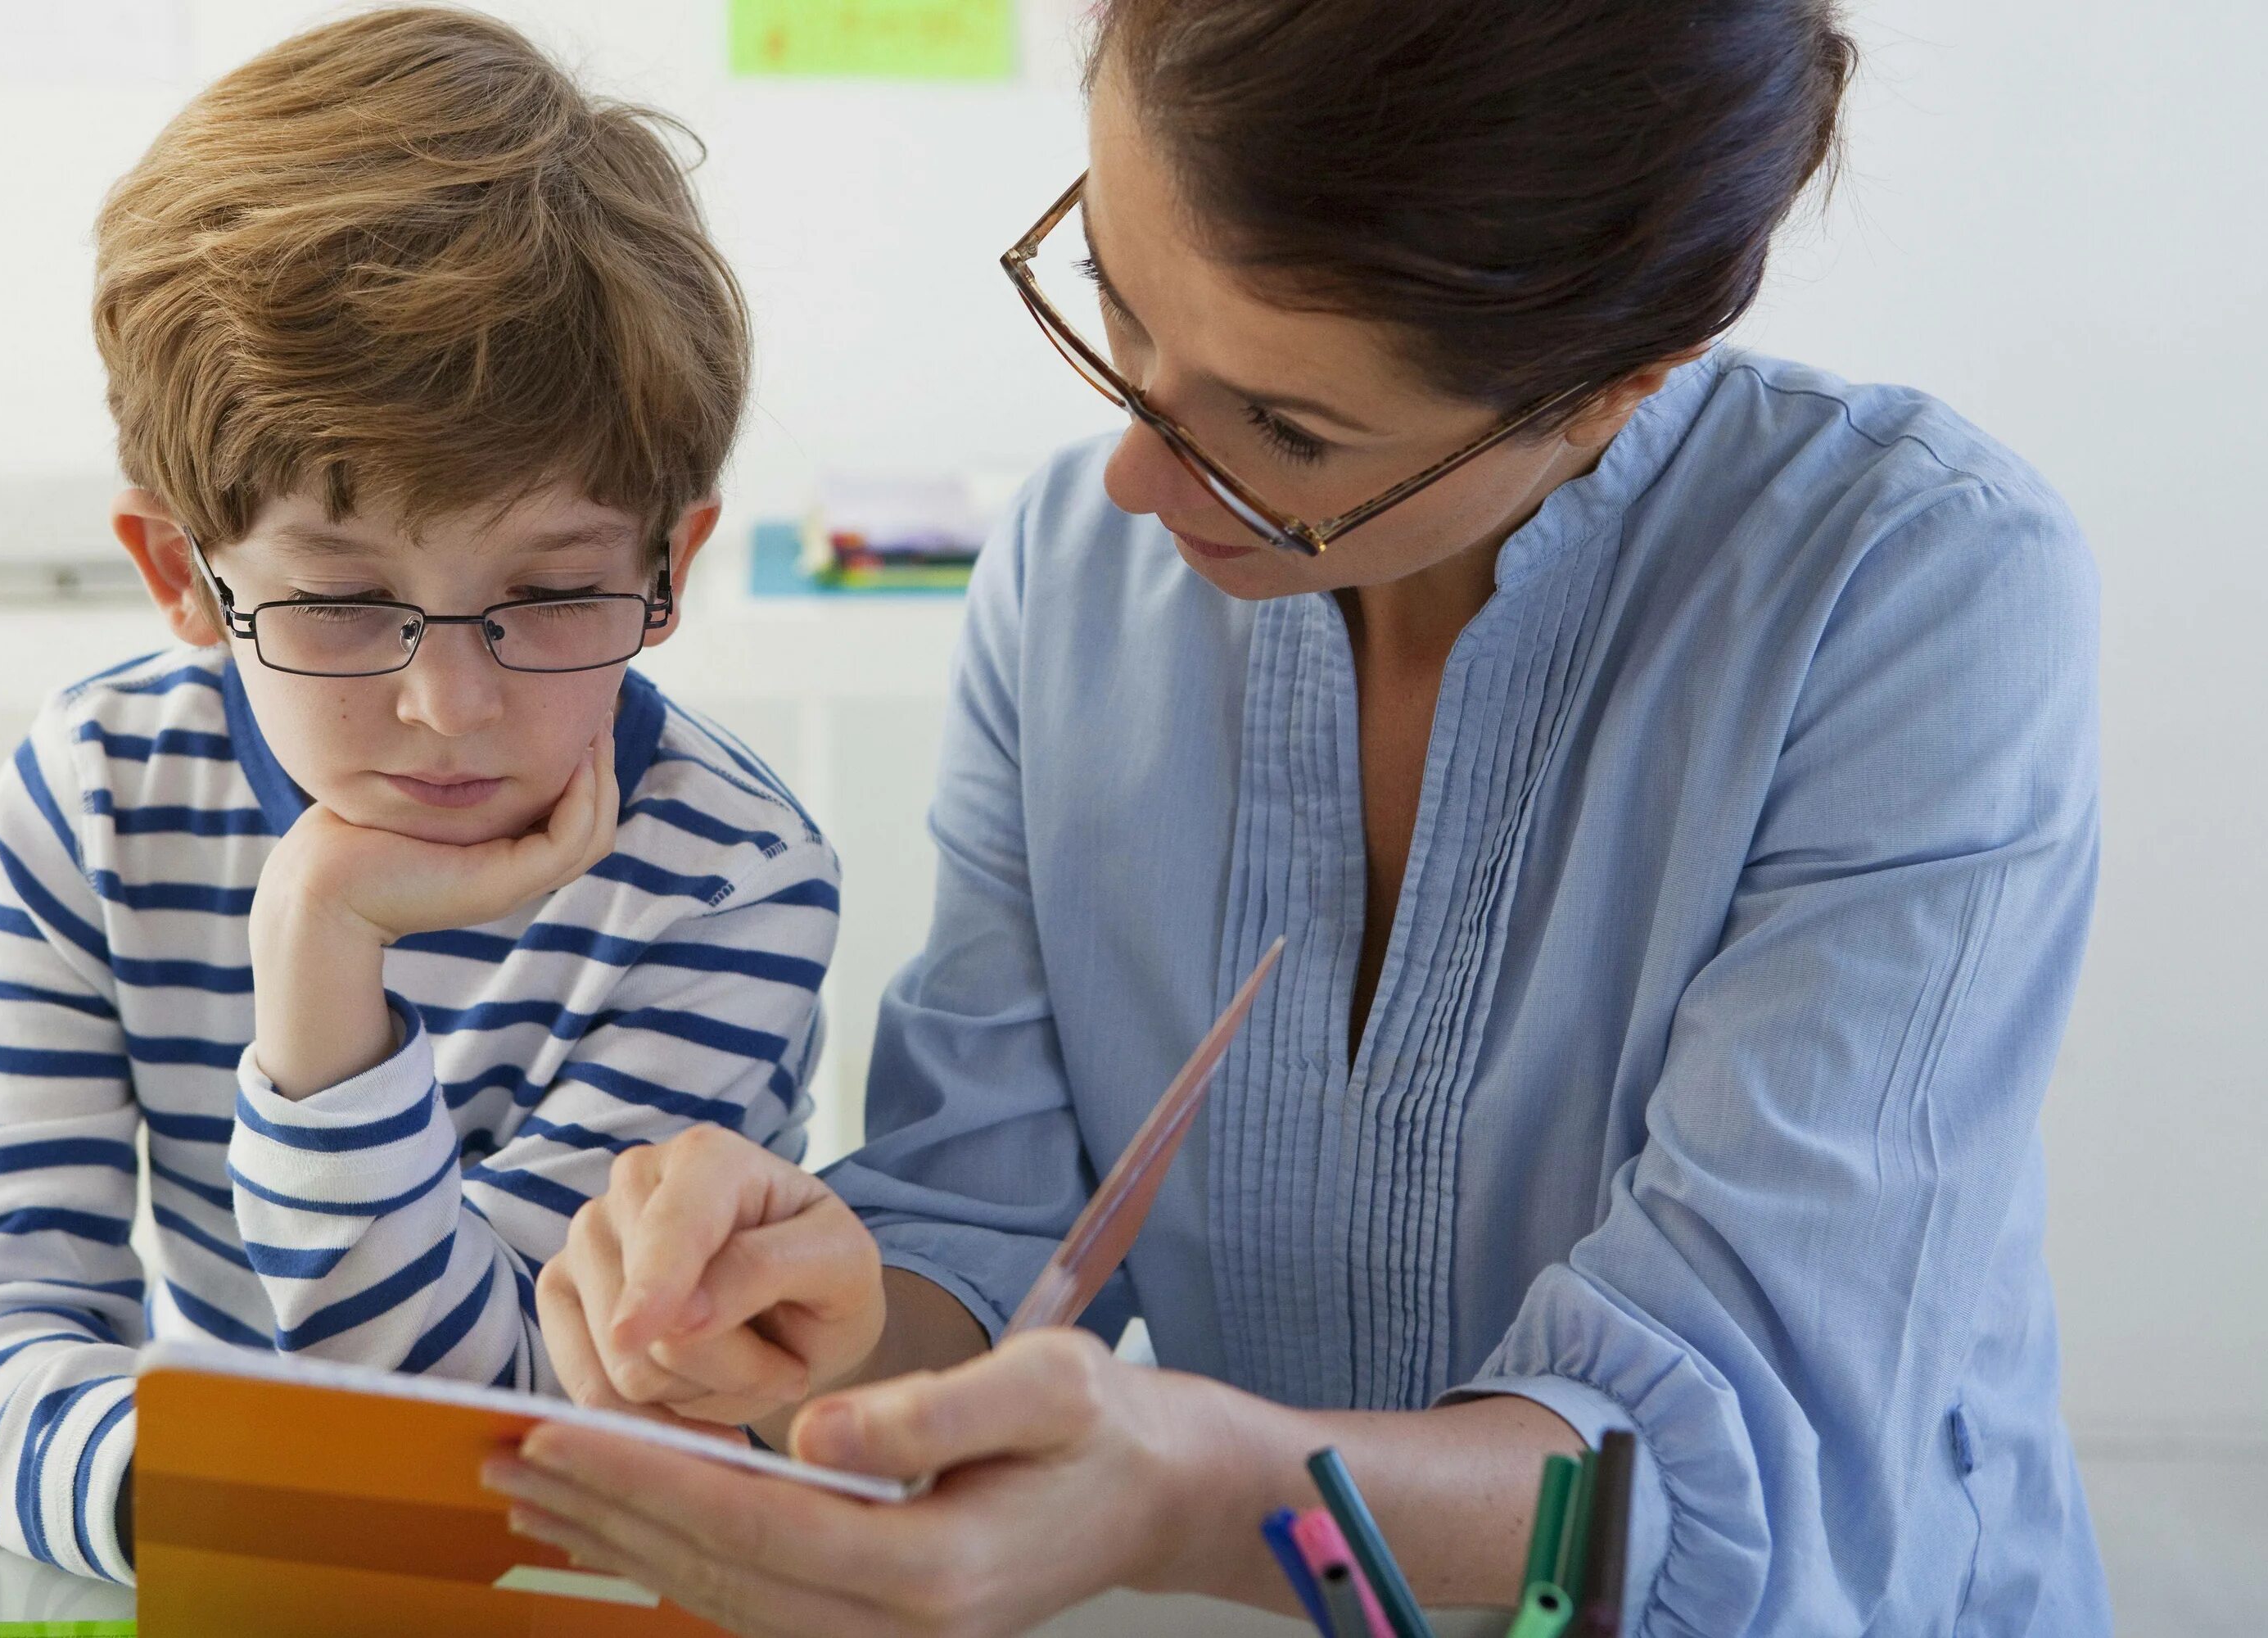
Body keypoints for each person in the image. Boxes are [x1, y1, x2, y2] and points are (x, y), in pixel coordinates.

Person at [490, 0, 2109, 1632]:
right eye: (1116, 307)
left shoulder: (1909, 593)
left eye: (1291, 432)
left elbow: (1710, 1465)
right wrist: (817, 1331)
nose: (1135, 471)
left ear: (1620, 386)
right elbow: (989, 1214)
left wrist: (1196, 1495)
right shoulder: (1070, 574)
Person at [0, 7, 838, 1584]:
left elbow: (505, 1443)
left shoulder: (726, 874)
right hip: (205, 1554)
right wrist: (193, 1499)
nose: (448, 710)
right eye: (339, 605)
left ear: (667, 569)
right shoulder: (97, 790)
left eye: (548, 595)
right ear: (180, 576)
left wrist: (322, 956)